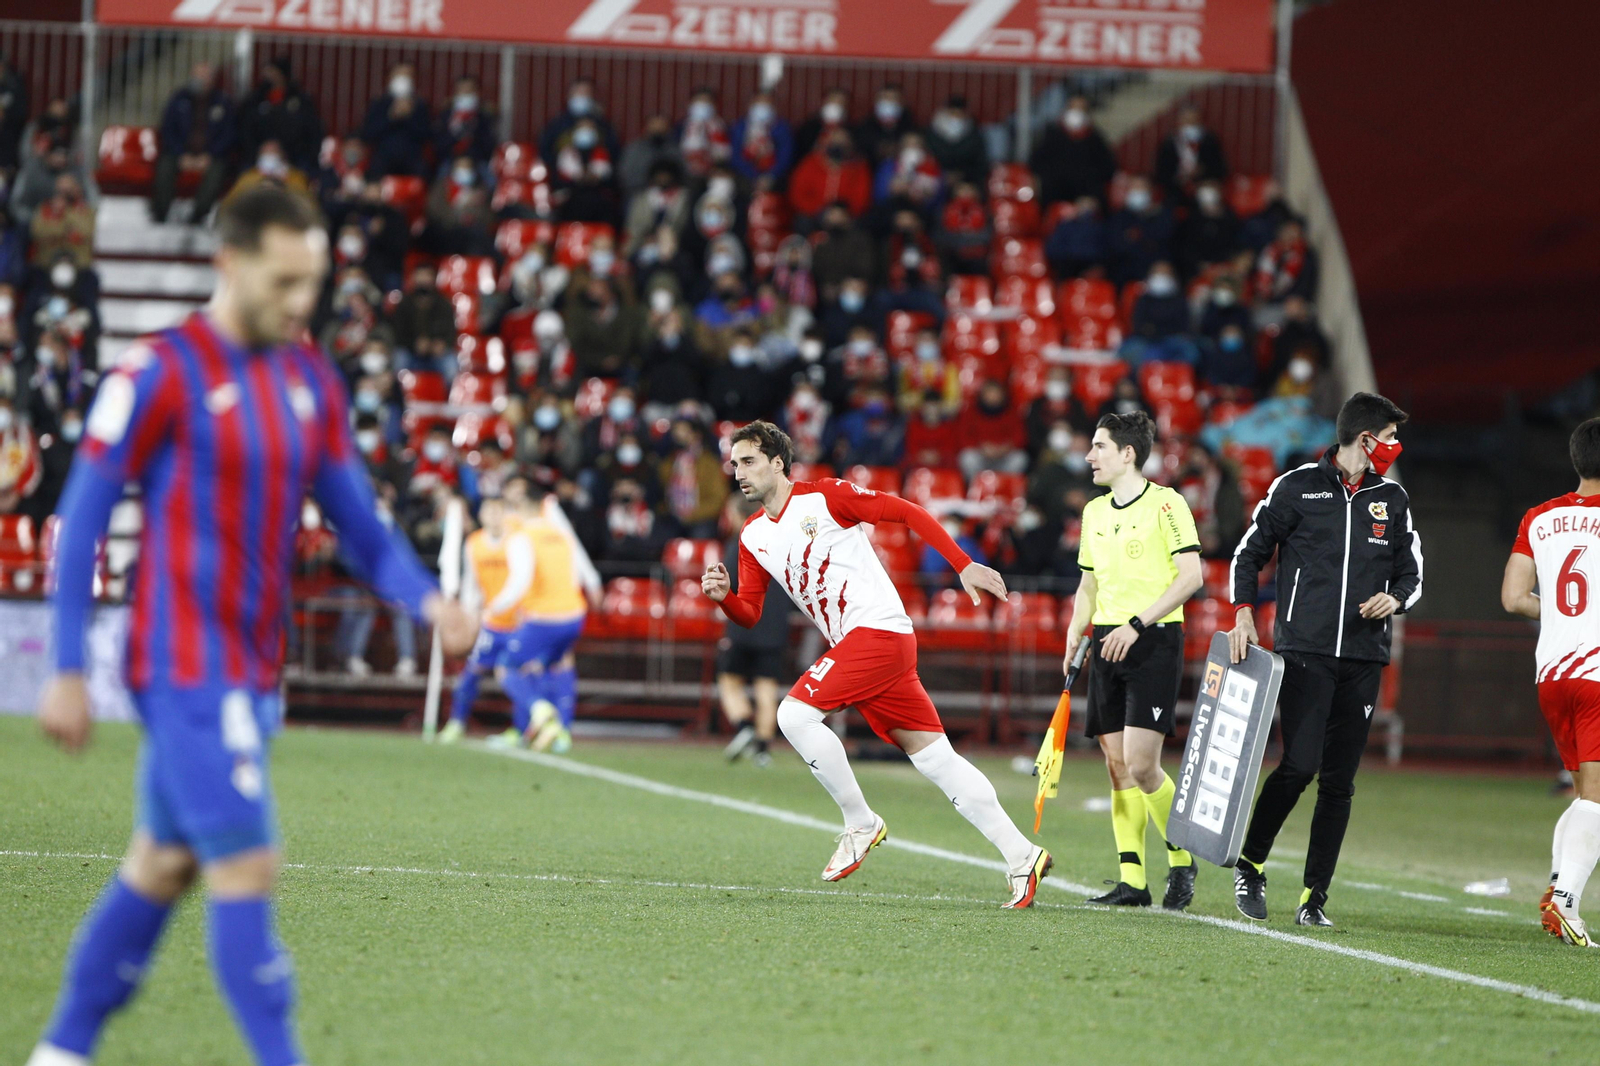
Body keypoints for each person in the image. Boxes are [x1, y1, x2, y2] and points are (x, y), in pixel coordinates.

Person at [27, 185, 477, 1066]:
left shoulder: (309, 380)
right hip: (182, 664)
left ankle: (62, 1051)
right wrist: (66, 665)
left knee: (162, 866)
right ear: (229, 263)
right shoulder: (158, 372)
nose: (302, 301)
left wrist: (428, 600)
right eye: (284, 281)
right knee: (248, 865)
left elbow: (360, 526)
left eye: (313, 282)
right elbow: (80, 518)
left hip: (249, 668)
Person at [701, 421, 1052, 908]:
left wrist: (963, 563)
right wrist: (725, 598)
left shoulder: (825, 497)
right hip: (868, 646)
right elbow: (751, 614)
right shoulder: (752, 536)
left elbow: (906, 511)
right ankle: (1022, 856)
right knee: (936, 759)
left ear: (778, 463)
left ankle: (861, 823)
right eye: (735, 464)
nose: (739, 472)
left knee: (793, 715)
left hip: (878, 633)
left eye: (748, 461)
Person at [1227, 391, 1423, 927]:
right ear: (1366, 438)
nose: (1395, 446)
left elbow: (1412, 572)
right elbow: (1248, 553)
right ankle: (1250, 864)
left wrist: (1395, 599)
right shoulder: (1295, 487)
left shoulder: (1393, 499)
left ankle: (1314, 898)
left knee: (1339, 782)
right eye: (1390, 436)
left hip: (1363, 657)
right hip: (1305, 651)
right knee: (1299, 765)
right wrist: (1243, 613)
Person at [1065, 411, 1203, 910]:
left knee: (1144, 766)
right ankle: (1133, 881)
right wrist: (1074, 630)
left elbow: (1191, 577)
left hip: (1152, 640)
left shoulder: (1168, 504)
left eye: (1099, 446)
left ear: (1128, 454)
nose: (1089, 456)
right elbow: (1088, 583)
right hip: (1106, 640)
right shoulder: (1094, 512)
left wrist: (1137, 625)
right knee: (1117, 765)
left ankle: (1182, 859)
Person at [1501, 417, 1600, 946]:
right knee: (1597, 800)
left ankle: (1556, 891)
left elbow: (1513, 598)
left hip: (1553, 672)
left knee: (1585, 794)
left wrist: (1562, 616)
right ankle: (1566, 903)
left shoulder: (1539, 517)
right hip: (1597, 672)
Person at [492, 481, 596, 752]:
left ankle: (541, 713)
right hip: (574, 615)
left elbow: (520, 581)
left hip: (543, 617)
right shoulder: (561, 533)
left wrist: (494, 607)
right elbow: (575, 574)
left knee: (507, 668)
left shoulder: (522, 536)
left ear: (520, 507)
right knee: (556, 665)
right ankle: (561, 732)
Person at [717, 494, 793, 767]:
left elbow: (728, 584)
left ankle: (743, 727)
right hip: (774, 628)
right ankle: (762, 750)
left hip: (743, 625)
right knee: (766, 689)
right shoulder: (782, 543)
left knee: (729, 681)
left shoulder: (740, 542)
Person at [438, 495, 521, 743]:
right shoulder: (474, 543)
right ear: (481, 515)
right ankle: (456, 722)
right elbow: (472, 583)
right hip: (492, 623)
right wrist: (470, 612)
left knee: (518, 677)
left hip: (519, 622)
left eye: (498, 511)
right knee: (472, 672)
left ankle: (521, 729)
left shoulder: (517, 541)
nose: (494, 516)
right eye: (489, 511)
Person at [151, 62, 234, 224]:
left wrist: (209, 155)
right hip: (179, 153)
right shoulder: (178, 98)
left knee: (217, 171)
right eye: (198, 75)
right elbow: (167, 130)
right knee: (165, 166)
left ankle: (198, 215)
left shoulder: (223, 102)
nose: (200, 79)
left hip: (211, 155)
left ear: (212, 79)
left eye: (205, 76)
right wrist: (181, 154)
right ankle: (160, 214)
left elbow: (229, 134)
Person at [237, 58, 323, 175]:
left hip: (294, 159)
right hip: (257, 158)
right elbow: (245, 129)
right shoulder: (254, 100)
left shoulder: (301, 101)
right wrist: (261, 150)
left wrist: (285, 152)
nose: (269, 76)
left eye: (273, 72)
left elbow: (312, 131)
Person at [1029, 95, 1116, 209]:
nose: (1076, 113)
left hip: (1085, 196)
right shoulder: (1052, 135)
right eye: (1073, 109)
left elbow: (1108, 168)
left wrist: (1092, 198)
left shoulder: (1095, 139)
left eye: (1080, 109)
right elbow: (1035, 163)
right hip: (1054, 196)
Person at [359, 63, 431, 179]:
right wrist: (391, 117)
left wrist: (408, 117)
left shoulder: (420, 105)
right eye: (399, 75)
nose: (402, 79)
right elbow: (368, 134)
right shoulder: (379, 103)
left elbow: (426, 135)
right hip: (383, 159)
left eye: (406, 75)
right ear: (390, 78)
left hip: (412, 159)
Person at [1153, 105, 1228, 207]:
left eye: (1194, 121)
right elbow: (1160, 171)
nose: (1190, 125)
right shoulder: (1169, 143)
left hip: (1203, 185)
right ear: (1179, 122)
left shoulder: (1210, 141)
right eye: (1187, 120)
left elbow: (1220, 169)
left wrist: (1202, 171)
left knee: (1209, 199)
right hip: (1174, 188)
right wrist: (1178, 176)